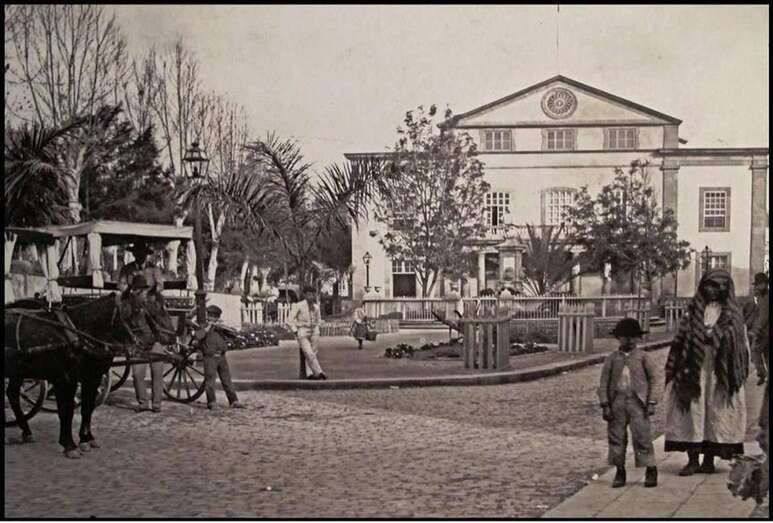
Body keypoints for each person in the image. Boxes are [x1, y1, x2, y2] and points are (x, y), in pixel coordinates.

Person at [663, 269, 749, 476]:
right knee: (692, 412)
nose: (712, 290)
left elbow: (740, 343)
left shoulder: (732, 313)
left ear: (725, 289)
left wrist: (717, 336)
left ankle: (709, 460)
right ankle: (693, 460)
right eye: (708, 285)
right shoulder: (693, 311)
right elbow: (681, 338)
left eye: (717, 286)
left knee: (714, 413)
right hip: (694, 369)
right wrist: (699, 337)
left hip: (720, 372)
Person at [598, 318, 660, 488]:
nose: (630, 340)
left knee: (642, 436)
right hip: (617, 402)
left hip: (638, 403)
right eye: (625, 337)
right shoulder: (612, 359)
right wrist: (605, 404)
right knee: (616, 438)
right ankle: (620, 471)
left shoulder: (643, 357)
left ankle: (651, 469)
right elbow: (603, 383)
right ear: (618, 338)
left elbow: (654, 379)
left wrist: (651, 402)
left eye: (633, 337)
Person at [194, 305, 244, 410]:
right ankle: (211, 402)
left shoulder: (220, 328)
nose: (213, 318)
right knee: (210, 381)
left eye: (215, 316)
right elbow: (199, 336)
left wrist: (222, 327)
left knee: (227, 380)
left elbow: (234, 334)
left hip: (221, 356)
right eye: (211, 316)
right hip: (210, 357)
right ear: (208, 316)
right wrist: (208, 327)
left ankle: (233, 401)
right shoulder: (203, 326)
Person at [128, 274, 165, 413]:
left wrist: (155, 296)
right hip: (138, 344)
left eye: (143, 290)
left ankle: (157, 404)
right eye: (138, 290)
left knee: (157, 374)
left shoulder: (151, 303)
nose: (142, 292)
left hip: (155, 342)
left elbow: (159, 313)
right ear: (134, 290)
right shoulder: (128, 305)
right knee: (137, 375)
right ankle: (143, 403)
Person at [288, 286, 327, 380]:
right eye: (309, 294)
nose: (311, 296)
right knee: (308, 352)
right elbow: (289, 320)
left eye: (313, 294)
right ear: (305, 295)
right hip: (302, 330)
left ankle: (310, 374)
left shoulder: (316, 307)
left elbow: (318, 319)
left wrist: (318, 326)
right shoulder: (298, 305)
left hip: (314, 331)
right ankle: (319, 372)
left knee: (313, 353)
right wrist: (295, 331)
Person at [750, 272, 769, 386]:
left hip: (764, 332)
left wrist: (757, 330)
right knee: (766, 355)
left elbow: (764, 317)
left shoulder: (765, 298)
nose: (756, 287)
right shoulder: (761, 296)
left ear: (764, 284)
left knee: (754, 351)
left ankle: (762, 373)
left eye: (758, 285)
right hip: (765, 332)